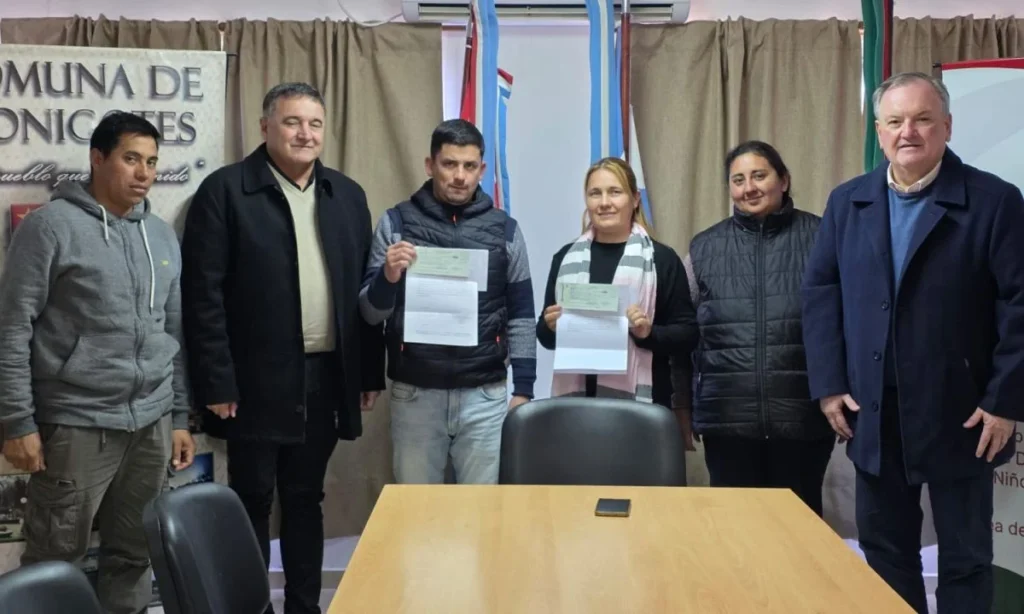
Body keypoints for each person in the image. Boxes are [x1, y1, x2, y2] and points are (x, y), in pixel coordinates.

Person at [802, 72, 1024, 614]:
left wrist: (1004, 402)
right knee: (885, 552)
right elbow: (821, 295)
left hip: (965, 415)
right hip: (874, 411)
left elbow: (1019, 305)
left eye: (923, 119)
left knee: (966, 559)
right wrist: (829, 385)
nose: (909, 132)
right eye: (896, 121)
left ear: (947, 126)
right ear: (879, 132)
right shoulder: (847, 202)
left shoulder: (995, 201)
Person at [181, 82, 385, 614]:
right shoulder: (225, 191)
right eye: (292, 122)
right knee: (250, 499)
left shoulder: (347, 194)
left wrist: (367, 373)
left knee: (305, 498)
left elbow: (361, 292)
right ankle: (252, 608)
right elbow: (202, 297)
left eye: (314, 124)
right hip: (252, 383)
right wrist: (217, 381)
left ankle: (303, 607)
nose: (305, 134)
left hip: (324, 378)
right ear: (265, 126)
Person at [0, 111, 195, 614]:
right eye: (131, 158)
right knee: (55, 561)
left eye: (152, 161)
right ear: (97, 158)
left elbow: (172, 332)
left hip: (150, 425)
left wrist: (177, 416)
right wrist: (18, 422)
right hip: (77, 424)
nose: (144, 173)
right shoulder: (49, 228)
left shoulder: (161, 235)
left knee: (134, 555)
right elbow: (13, 327)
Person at [359, 118, 535, 485]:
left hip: (484, 396)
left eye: (469, 166)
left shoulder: (506, 230)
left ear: (481, 170)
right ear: (430, 165)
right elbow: (370, 314)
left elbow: (521, 314)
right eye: (449, 164)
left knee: (481, 510)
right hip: (416, 394)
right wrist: (387, 276)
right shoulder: (395, 223)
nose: (459, 176)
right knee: (415, 509)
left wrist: (524, 389)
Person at [670, 141, 834, 516]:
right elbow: (684, 334)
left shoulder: (823, 237)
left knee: (799, 531)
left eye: (759, 175)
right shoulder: (704, 248)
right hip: (726, 422)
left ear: (784, 180)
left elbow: (846, 324)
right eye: (738, 179)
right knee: (736, 532)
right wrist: (682, 403)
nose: (749, 188)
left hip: (804, 420)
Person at [538, 157, 696, 416]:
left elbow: (688, 334)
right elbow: (545, 337)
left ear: (634, 200)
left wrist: (648, 333)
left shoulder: (661, 260)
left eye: (614, 192)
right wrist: (550, 326)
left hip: (643, 408)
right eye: (595, 193)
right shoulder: (565, 258)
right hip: (576, 409)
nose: (604, 203)